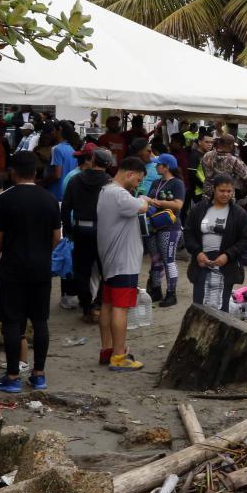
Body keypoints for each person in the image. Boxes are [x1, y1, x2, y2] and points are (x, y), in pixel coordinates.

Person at [0, 152, 62, 393]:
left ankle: (12, 377)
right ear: (36, 173)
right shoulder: (49, 199)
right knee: (40, 321)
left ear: (12, 172)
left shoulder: (6, 199)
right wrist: (41, 253)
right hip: (41, 268)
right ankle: (38, 374)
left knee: (12, 322)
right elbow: (56, 237)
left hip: (13, 268)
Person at [96, 156, 151, 371]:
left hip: (111, 259)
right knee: (121, 307)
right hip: (123, 260)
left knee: (108, 304)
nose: (137, 185)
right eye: (137, 180)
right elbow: (142, 207)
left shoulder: (105, 190)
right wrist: (145, 199)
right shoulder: (119, 194)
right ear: (129, 174)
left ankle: (107, 349)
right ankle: (119, 356)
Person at [185, 174, 247, 310]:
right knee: (199, 306)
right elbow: (188, 233)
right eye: (222, 190)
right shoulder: (198, 209)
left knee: (222, 307)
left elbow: (245, 240)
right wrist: (197, 252)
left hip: (226, 265)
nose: (225, 194)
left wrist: (228, 255)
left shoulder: (239, 214)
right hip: (201, 262)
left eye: (229, 191)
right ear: (213, 190)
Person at [63, 148, 113, 325]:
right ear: (108, 164)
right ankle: (98, 305)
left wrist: (68, 231)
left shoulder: (76, 179)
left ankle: (86, 307)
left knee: (81, 271)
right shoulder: (109, 183)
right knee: (106, 270)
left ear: (92, 159)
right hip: (103, 231)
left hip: (80, 229)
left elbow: (66, 207)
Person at [146, 153, 185, 307]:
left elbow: (178, 205)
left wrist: (158, 202)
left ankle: (171, 293)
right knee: (155, 260)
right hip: (153, 226)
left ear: (166, 166)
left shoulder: (177, 183)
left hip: (170, 226)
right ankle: (156, 290)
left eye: (159, 164)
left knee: (169, 260)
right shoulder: (156, 182)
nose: (156, 166)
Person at [201, 135, 247, 199]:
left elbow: (204, 170)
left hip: (208, 193)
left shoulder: (207, 155)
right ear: (230, 145)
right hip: (225, 195)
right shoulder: (233, 160)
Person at [46, 123, 79, 200]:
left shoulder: (56, 149)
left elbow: (57, 175)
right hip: (68, 192)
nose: (52, 132)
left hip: (56, 192)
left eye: (54, 130)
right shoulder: (72, 149)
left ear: (60, 130)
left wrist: (43, 182)